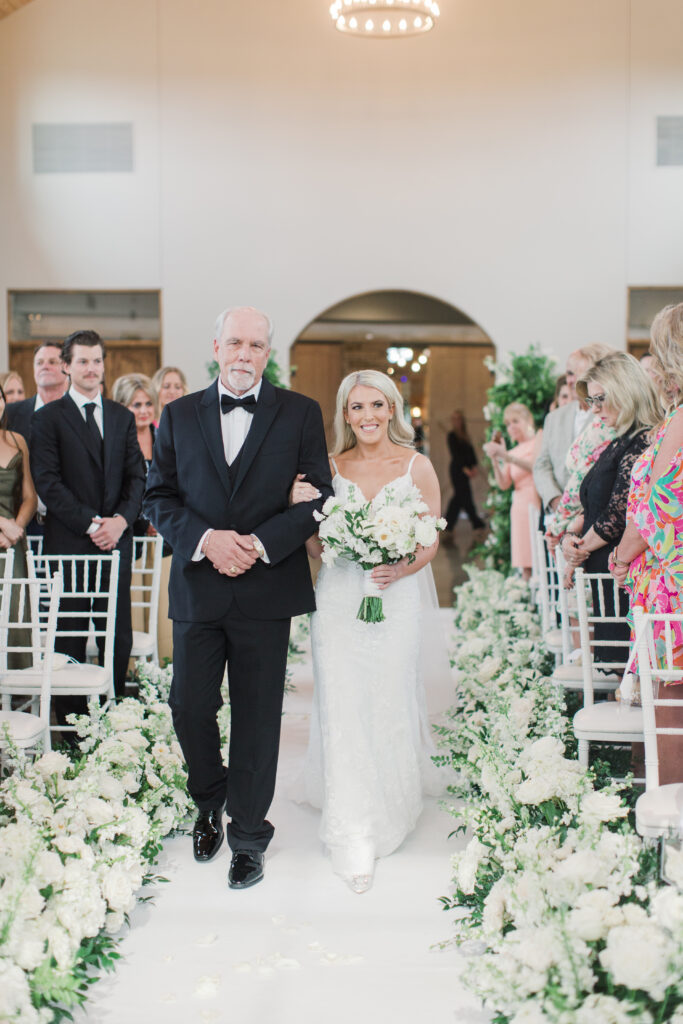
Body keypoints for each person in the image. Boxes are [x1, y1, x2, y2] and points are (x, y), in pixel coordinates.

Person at [144, 306, 332, 890]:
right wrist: (206, 540)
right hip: (199, 586)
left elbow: (317, 495)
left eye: (256, 344)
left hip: (265, 587)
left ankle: (249, 834)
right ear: (216, 346)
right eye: (235, 343)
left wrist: (256, 543)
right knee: (189, 707)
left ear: (268, 352)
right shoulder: (176, 415)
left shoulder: (300, 413)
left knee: (256, 718)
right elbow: (158, 497)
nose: (245, 353)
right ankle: (210, 799)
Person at [289, 369, 445, 894]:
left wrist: (398, 569)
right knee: (343, 701)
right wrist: (324, 538)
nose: (368, 416)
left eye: (377, 405)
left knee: (387, 697)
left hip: (394, 600)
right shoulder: (329, 468)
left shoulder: (417, 466)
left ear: (393, 409)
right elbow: (313, 544)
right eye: (357, 407)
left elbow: (431, 540)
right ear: (345, 414)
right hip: (338, 600)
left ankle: (391, 807)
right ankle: (353, 826)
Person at [30, 330, 147, 720]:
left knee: (117, 634)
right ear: (66, 366)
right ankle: (69, 726)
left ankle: (113, 720)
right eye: (83, 361)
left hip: (116, 542)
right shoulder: (48, 419)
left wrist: (119, 522)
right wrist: (90, 523)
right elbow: (48, 481)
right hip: (70, 543)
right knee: (70, 633)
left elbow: (137, 478)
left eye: (97, 360)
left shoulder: (121, 416)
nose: (92, 368)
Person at [611, 303, 683, 784]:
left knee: (672, 716)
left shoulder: (677, 425)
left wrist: (621, 555)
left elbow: (651, 511)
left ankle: (671, 834)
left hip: (672, 591)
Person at [561, 353, 661, 663]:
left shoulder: (643, 440)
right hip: (605, 571)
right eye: (591, 401)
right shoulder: (620, 440)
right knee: (620, 676)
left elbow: (617, 516)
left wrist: (579, 550)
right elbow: (592, 503)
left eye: (601, 399)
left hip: (622, 575)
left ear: (625, 390)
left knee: (629, 680)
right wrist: (570, 536)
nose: (595, 410)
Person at [533, 344, 615, 517]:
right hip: (556, 513)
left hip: (594, 514)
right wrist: (555, 500)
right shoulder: (554, 417)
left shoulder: (609, 418)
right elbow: (541, 465)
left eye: (579, 374)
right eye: (569, 374)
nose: (571, 381)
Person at [0, 382, 38, 666]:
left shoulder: (16, 441)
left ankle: (15, 692)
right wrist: (4, 523)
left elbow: (29, 496)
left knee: (15, 612)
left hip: (12, 543)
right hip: (7, 529)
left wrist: (16, 528)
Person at [483, 402, 541, 579]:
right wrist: (495, 459)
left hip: (535, 501)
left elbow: (536, 467)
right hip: (519, 507)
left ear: (527, 420)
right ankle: (526, 595)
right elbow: (504, 484)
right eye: (508, 424)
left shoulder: (538, 439)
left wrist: (506, 456)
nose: (511, 427)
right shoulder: (513, 451)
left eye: (515, 421)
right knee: (524, 560)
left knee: (538, 554)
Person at [112, 373, 160, 539]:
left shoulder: (165, 440)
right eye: (136, 405)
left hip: (164, 532)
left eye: (148, 404)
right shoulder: (114, 444)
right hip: (126, 531)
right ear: (121, 406)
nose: (144, 411)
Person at [7, 341, 68, 441]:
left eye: (52, 362)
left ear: (66, 368)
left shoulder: (79, 412)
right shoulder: (10, 413)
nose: (45, 367)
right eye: (39, 363)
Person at [442, 409, 485, 540]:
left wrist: (474, 466)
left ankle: (448, 525)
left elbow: (470, 453)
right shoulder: (451, 436)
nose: (457, 421)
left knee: (459, 497)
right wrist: (464, 469)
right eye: (454, 419)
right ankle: (477, 523)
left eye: (459, 418)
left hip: (466, 471)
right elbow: (456, 454)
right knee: (465, 497)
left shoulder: (465, 435)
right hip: (457, 470)